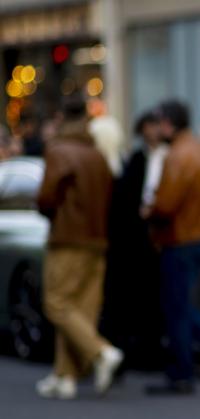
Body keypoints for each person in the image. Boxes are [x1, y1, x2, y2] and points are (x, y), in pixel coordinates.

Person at [142, 100, 200, 395]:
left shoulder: (180, 155)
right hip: (198, 236)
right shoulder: (196, 150)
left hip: (182, 238)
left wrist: (149, 210)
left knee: (176, 307)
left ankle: (186, 371)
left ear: (168, 124)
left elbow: (166, 204)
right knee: (180, 305)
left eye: (160, 124)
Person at [35, 97, 123, 399]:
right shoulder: (97, 155)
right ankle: (65, 376)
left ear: (61, 117)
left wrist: (52, 214)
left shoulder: (59, 151)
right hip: (96, 239)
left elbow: (47, 198)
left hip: (68, 237)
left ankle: (100, 353)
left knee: (57, 303)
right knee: (79, 310)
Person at [102, 112, 166, 368]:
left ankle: (151, 348)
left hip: (160, 236)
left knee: (156, 298)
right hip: (135, 241)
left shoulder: (169, 158)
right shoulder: (135, 160)